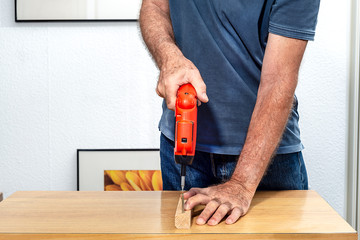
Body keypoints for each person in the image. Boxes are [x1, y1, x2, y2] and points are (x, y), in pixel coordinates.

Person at [140, 0, 320, 226]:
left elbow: (278, 82)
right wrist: (169, 56)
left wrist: (242, 184)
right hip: (184, 151)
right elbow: (155, 5)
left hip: (265, 162)